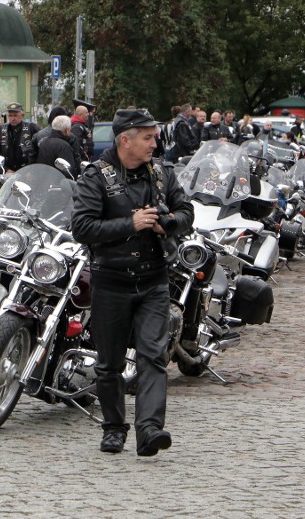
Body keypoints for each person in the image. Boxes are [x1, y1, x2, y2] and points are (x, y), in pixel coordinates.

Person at [71, 108, 194, 457]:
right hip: (111, 281)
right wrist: (131, 223)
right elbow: (81, 227)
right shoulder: (95, 176)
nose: (155, 143)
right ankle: (113, 427)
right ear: (125, 139)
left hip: (154, 280)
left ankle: (150, 430)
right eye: (148, 137)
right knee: (108, 364)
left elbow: (187, 211)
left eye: (154, 137)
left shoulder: (162, 173)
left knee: (153, 356)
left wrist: (166, 223)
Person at [0, 101, 40, 173]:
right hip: (7, 173)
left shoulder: (32, 128)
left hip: (27, 172)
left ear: (22, 116)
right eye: (10, 115)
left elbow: (39, 152)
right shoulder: (0, 130)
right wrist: (5, 170)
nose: (12, 118)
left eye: (15, 115)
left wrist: (30, 171)